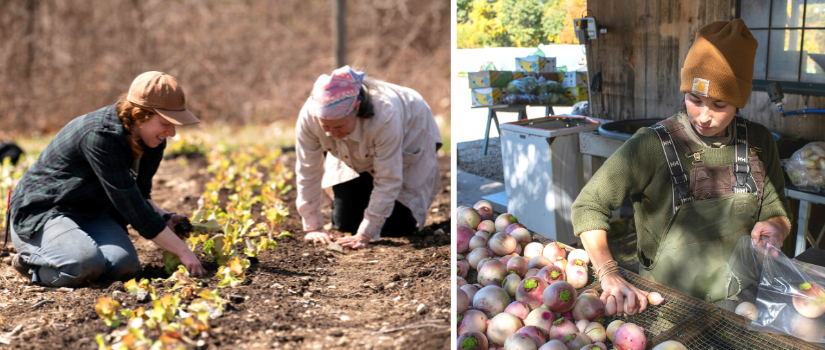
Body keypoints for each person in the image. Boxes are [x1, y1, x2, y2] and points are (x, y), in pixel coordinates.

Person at [571, 19, 791, 313]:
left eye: (720, 105)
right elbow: (588, 205)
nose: (704, 116)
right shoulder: (652, 145)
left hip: (741, 303)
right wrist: (608, 271)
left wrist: (777, 227)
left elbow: (776, 209)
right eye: (694, 99)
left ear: (739, 102)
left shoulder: (758, 142)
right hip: (665, 307)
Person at [8, 71, 207, 287]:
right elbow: (130, 205)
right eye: (166, 122)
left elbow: (139, 194)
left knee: (125, 267)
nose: (172, 132)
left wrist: (166, 217)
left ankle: (64, 251)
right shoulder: (100, 136)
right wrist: (183, 252)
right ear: (141, 114)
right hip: (42, 212)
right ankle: (33, 263)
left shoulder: (153, 141)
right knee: (84, 266)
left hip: (90, 212)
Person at [296, 66, 442, 250]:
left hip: (407, 136)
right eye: (326, 127)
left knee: (396, 228)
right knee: (345, 223)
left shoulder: (385, 115)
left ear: (356, 109)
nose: (332, 134)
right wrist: (313, 226)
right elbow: (307, 169)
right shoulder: (310, 116)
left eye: (339, 126)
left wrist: (365, 233)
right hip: (351, 151)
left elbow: (388, 177)